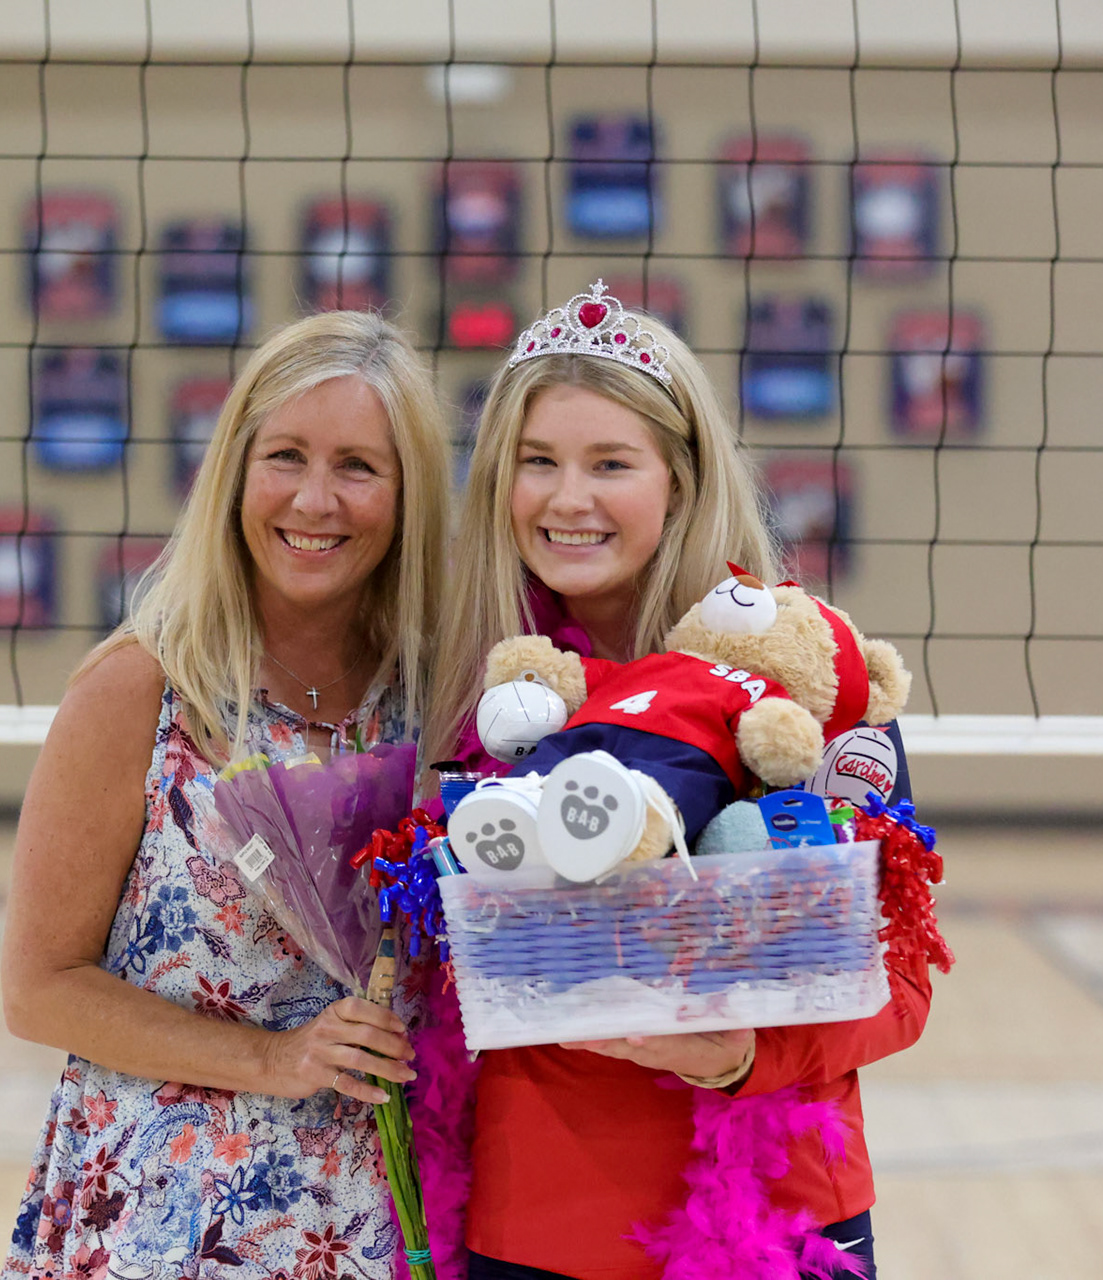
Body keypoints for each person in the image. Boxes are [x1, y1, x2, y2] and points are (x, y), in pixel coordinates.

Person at [426, 282, 930, 1280]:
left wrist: (746, 1054)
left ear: (682, 479)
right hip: (541, 1221)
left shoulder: (808, 680)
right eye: (538, 462)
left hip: (775, 1216)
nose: (567, 498)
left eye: (610, 463)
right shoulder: (483, 691)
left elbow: (901, 981)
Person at [0, 311, 450, 1280]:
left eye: (360, 467)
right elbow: (38, 988)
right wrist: (277, 1059)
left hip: (392, 1215)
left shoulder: (441, 694)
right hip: (175, 1211)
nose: (315, 499)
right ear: (236, 470)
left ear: (409, 493)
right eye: (285, 455)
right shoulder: (140, 688)